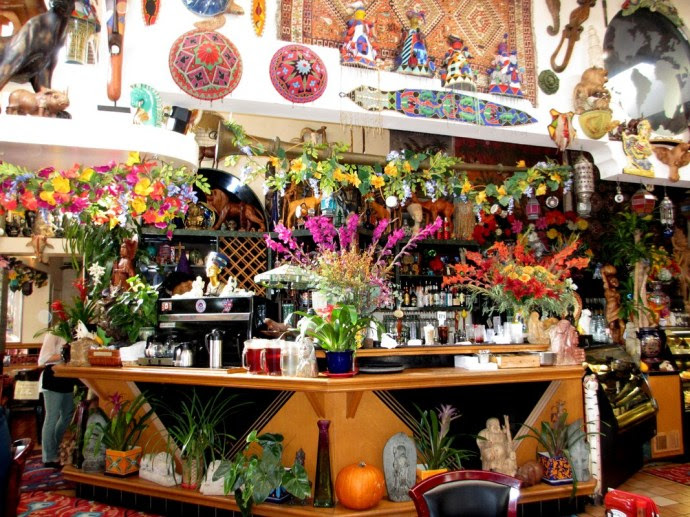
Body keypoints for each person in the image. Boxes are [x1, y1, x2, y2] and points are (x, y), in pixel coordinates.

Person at [38, 332, 75, 469]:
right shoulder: (53, 334)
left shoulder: (72, 334)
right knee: (52, 417)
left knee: (67, 415)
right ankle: (49, 456)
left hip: (66, 378)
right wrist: (64, 355)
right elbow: (43, 359)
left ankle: (56, 446)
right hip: (52, 377)